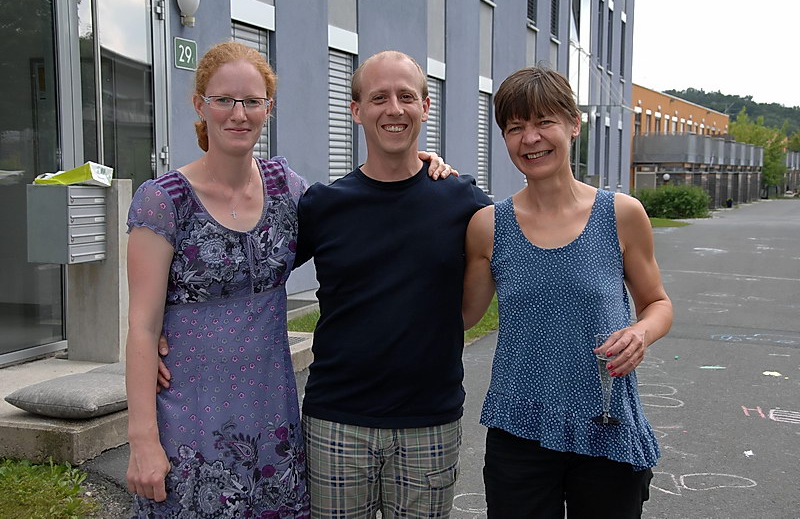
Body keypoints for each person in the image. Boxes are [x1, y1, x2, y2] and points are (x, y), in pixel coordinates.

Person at [126, 42, 453, 517]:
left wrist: (419, 166)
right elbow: (141, 326)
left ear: (269, 109)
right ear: (200, 104)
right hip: (188, 413)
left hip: (269, 417)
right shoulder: (163, 201)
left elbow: (360, 211)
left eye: (252, 101)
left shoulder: (287, 190)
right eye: (223, 100)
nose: (238, 114)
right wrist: (142, 440)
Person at [462, 67, 673, 518]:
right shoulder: (488, 226)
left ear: (574, 124)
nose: (530, 138)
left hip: (605, 424)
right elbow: (462, 317)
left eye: (544, 122)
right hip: (519, 428)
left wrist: (641, 333)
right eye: (515, 127)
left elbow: (657, 303)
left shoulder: (621, 214)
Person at [294, 51, 492, 517]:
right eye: (379, 97)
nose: (394, 109)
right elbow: (254, 277)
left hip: (430, 422)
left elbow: (527, 251)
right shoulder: (323, 205)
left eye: (406, 96)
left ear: (425, 107)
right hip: (337, 423)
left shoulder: (461, 200)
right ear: (356, 110)